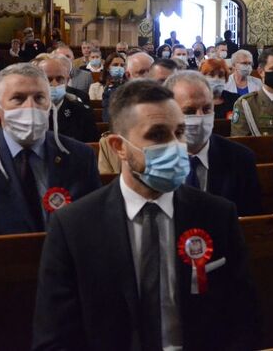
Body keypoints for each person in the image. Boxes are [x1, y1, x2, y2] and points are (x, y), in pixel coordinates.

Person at [31, 79, 259, 349]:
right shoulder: (74, 226)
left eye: (179, 133)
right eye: (158, 135)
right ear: (119, 146)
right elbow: (55, 337)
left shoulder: (217, 214)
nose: (176, 146)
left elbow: (244, 318)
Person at [0, 64, 100, 238]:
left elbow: (95, 226)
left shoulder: (80, 156)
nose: (30, 107)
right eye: (18, 98)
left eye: (39, 98)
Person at [164, 71, 262, 216]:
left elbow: (251, 218)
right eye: (189, 111)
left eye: (206, 109)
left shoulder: (240, 158)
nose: (201, 117)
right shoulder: (155, 159)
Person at [36, 55, 100, 144]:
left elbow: (92, 148)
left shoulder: (82, 112)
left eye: (59, 79)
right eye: (48, 79)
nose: (54, 84)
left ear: (67, 81)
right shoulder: (28, 112)